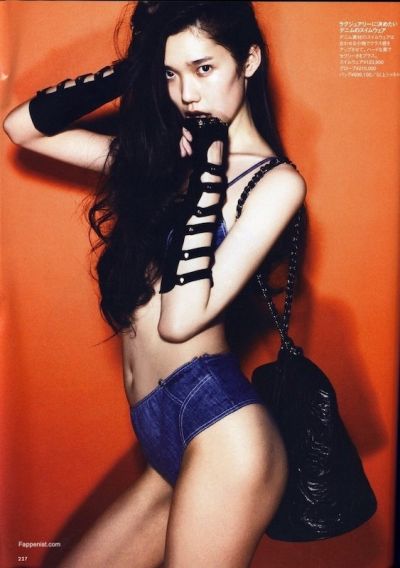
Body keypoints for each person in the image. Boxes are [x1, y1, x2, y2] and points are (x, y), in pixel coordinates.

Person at [3, 1, 306, 566]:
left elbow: (180, 319)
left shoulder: (275, 182)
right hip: (160, 430)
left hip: (221, 432)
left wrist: (210, 174)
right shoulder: (166, 159)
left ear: (249, 61)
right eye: (171, 73)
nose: (187, 93)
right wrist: (134, 71)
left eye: (204, 68)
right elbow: (21, 130)